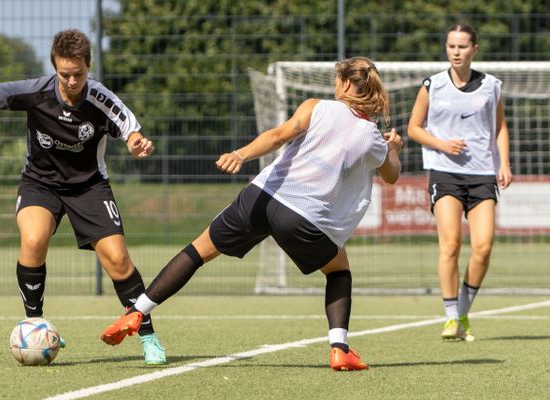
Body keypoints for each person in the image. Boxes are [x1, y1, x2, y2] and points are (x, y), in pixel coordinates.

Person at [100, 56, 403, 371]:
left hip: (261, 196)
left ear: (343, 84)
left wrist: (240, 154)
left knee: (198, 250)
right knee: (339, 271)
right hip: (302, 218)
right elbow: (392, 175)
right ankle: (340, 348)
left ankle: (137, 310)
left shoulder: (316, 106)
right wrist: (393, 147)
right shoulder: (370, 136)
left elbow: (277, 137)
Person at [0, 29, 167, 365]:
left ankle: (148, 336)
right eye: (65, 74)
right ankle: (36, 324)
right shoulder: (36, 92)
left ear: (89, 67)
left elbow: (130, 130)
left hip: (89, 186)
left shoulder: (101, 99)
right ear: (54, 66)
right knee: (33, 239)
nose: (72, 81)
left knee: (118, 259)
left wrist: (136, 143)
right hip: (40, 183)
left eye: (79, 74)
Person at [407, 23, 513, 342]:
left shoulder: (491, 85)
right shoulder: (433, 85)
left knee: (482, 247)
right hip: (444, 172)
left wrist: (504, 163)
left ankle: (463, 311)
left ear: (474, 50)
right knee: (450, 245)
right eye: (451, 46)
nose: (456, 51)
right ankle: (451, 316)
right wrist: (442, 145)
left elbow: (500, 128)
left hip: (482, 175)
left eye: (462, 46)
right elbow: (414, 127)